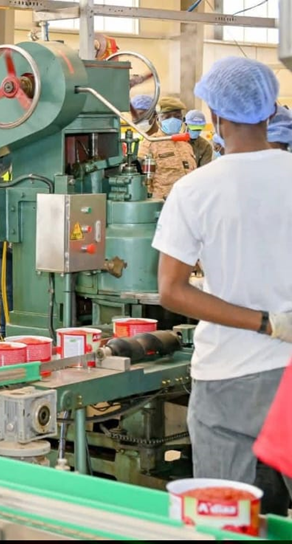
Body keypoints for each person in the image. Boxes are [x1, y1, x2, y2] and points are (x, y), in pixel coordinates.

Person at [153, 56, 292, 511]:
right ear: (271, 111)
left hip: (227, 376)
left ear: (215, 116)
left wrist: (265, 323)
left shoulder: (193, 189)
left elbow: (172, 290)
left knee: (227, 515)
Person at [138, 96, 196, 199]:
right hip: (162, 205)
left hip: (187, 201)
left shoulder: (186, 145)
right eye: (167, 117)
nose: (173, 120)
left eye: (177, 116)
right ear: (158, 119)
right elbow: (141, 180)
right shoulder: (150, 144)